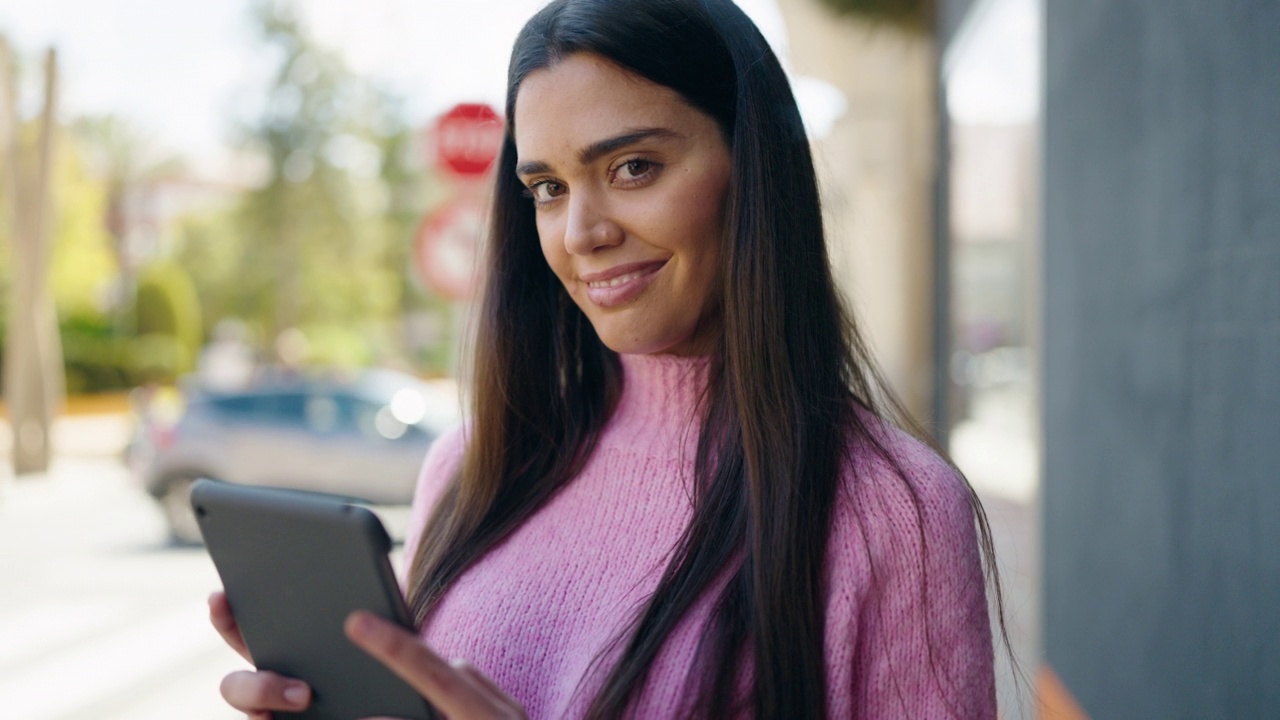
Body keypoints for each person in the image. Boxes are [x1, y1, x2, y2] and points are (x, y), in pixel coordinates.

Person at [210, 0, 1003, 717]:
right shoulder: (468, 467)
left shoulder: (894, 514)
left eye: (633, 168)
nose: (581, 232)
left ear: (753, 168)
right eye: (548, 188)